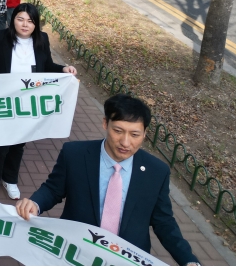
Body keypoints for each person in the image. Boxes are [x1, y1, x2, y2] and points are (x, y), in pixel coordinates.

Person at [15, 94, 199, 266]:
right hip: (75, 252)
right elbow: (53, 189)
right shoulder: (75, 154)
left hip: (126, 259)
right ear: (105, 123)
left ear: (145, 134)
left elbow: (163, 221)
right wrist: (35, 203)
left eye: (135, 135)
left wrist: (188, 260)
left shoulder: (157, 171)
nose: (125, 143)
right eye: (118, 131)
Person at [0, 4, 77, 202]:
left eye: (30, 21)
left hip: (28, 102)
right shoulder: (0, 37)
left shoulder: (42, 40)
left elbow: (47, 66)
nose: (25, 25)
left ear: (36, 24)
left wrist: (63, 70)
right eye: (20, 19)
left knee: (18, 144)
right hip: (4, 99)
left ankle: (9, 179)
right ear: (13, 19)